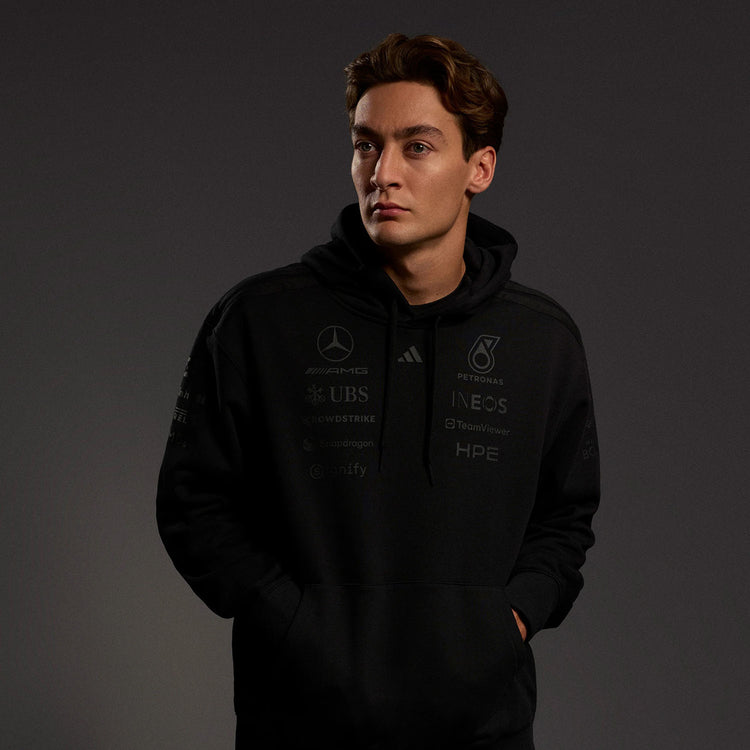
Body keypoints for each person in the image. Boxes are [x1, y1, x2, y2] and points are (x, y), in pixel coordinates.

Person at [157, 32, 600, 750]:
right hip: (298, 726)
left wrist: (508, 621)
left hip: (482, 728)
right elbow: (192, 503)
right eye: (367, 145)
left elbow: (566, 516)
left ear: (480, 167)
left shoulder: (542, 340)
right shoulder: (259, 321)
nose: (382, 173)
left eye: (416, 147)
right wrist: (291, 622)